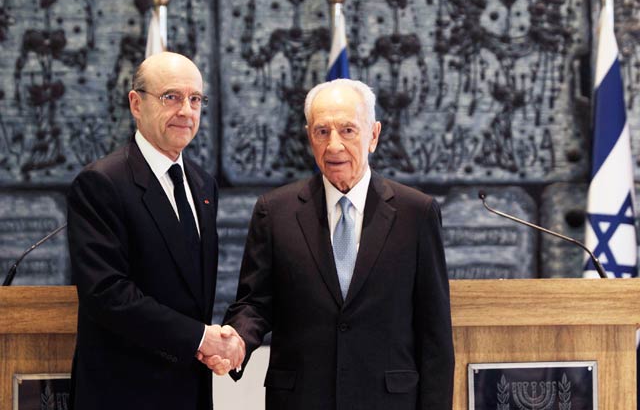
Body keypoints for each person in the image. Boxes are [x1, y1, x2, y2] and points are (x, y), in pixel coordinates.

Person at [215, 78, 455, 409]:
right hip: (301, 399)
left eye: (348, 131)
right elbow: (255, 303)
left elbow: (435, 334)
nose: (334, 145)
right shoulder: (275, 211)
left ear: (373, 135)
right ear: (309, 136)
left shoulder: (416, 213)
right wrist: (238, 340)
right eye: (322, 132)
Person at [66, 52, 244, 410]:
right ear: (136, 103)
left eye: (195, 99)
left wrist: (222, 343)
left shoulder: (202, 184)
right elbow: (107, 293)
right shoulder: (102, 182)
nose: (186, 111)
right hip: (124, 394)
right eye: (171, 97)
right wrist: (200, 339)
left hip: (190, 392)